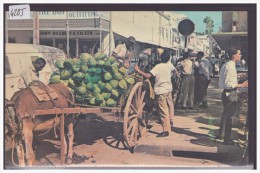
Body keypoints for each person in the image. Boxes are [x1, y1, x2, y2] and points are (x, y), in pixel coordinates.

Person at [134, 50, 179, 137]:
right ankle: (166, 121)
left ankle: (166, 131)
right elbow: (175, 71)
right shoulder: (169, 65)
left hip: (161, 90)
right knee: (166, 105)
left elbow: (148, 75)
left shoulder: (158, 67)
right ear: (169, 58)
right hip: (168, 89)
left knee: (163, 110)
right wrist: (173, 75)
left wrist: (138, 70)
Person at [217, 48, 248, 145]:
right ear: (234, 55)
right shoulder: (230, 67)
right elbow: (229, 84)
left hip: (227, 93)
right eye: (239, 54)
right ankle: (227, 139)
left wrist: (237, 78)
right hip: (230, 93)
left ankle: (221, 134)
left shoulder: (227, 65)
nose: (240, 55)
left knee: (226, 114)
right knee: (230, 117)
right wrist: (243, 85)